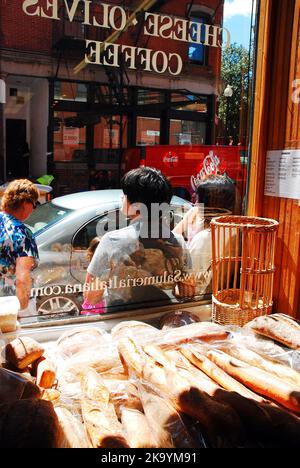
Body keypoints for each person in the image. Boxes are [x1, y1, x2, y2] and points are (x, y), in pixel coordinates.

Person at [84, 167, 194, 311]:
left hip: (122, 323)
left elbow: (90, 297)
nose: (122, 198)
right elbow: (188, 293)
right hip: (163, 318)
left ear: (136, 206)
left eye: (125, 195)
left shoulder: (111, 241)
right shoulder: (178, 241)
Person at [0, 179, 39, 311]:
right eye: (34, 204)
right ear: (24, 203)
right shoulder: (21, 233)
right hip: (9, 305)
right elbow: (22, 278)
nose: (33, 210)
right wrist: (21, 309)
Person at [80, 237, 105, 315]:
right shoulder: (94, 266)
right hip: (97, 300)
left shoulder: (106, 263)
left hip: (101, 299)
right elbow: (87, 284)